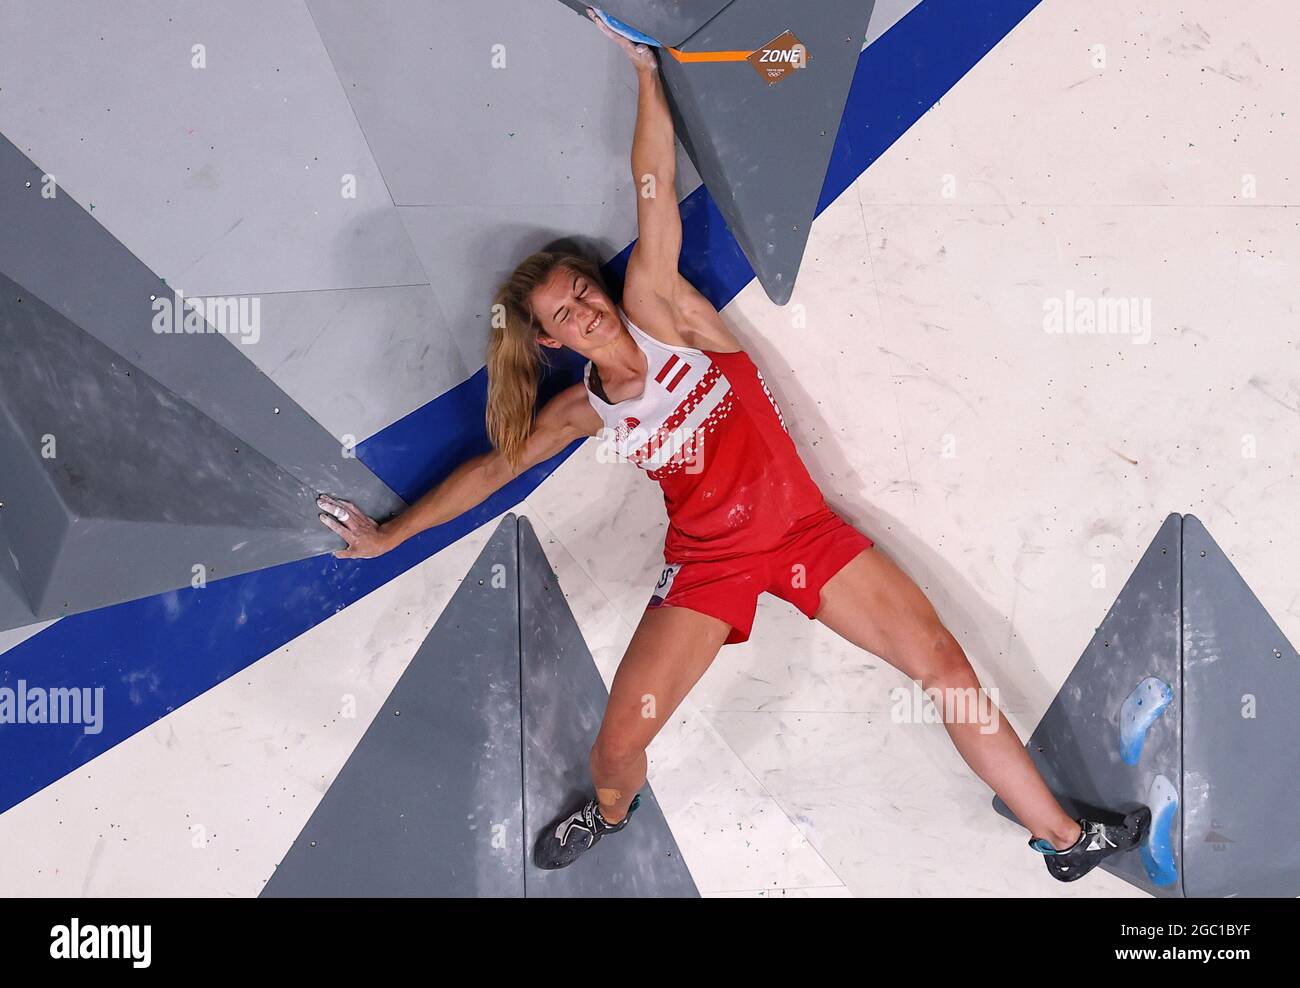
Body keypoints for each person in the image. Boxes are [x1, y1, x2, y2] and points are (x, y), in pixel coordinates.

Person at [317, 8, 1148, 883]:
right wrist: (389, 534)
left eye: (580, 292)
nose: (584, 310)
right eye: (562, 315)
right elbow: (493, 470)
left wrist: (646, 75)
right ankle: (609, 811)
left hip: (804, 540)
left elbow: (650, 180)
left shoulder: (661, 307)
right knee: (616, 744)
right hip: (706, 568)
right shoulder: (585, 409)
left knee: (942, 663)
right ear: (551, 341)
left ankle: (1064, 839)